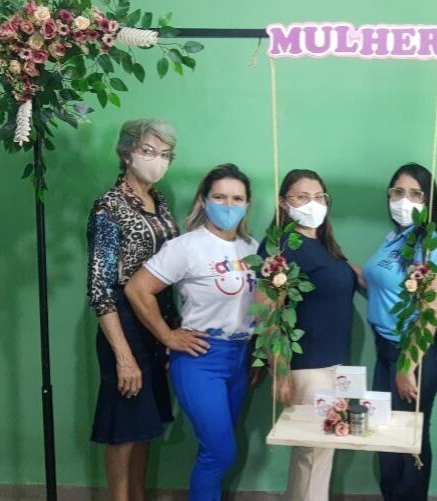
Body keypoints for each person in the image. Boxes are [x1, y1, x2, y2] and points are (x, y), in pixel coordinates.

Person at [125, 164, 258, 501]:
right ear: (203, 200)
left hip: (240, 358)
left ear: (247, 204)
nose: (228, 205)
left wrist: (259, 353)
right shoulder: (186, 247)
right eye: (220, 197)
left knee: (215, 452)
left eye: (237, 199)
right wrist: (167, 336)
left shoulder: (252, 248)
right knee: (221, 452)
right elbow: (138, 289)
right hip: (201, 358)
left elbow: (262, 305)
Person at [87, 118, 179, 501]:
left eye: (165, 154)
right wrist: (123, 355)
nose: (157, 160)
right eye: (148, 151)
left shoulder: (160, 203)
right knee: (124, 431)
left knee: (145, 428)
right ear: (127, 154)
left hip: (156, 320)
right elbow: (99, 286)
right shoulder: (109, 207)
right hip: (123, 322)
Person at [262, 169, 357, 501]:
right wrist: (279, 370)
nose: (312, 204)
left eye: (319, 197)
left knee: (318, 450)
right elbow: (267, 312)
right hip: (307, 366)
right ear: (283, 202)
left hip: (336, 365)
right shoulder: (282, 246)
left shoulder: (326, 245)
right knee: (313, 451)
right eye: (302, 197)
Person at [360, 162, 437, 501]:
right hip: (386, 349)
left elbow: (432, 311)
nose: (404, 200)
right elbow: (377, 284)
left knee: (408, 439)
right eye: (397, 192)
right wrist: (336, 264)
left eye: (415, 194)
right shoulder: (394, 238)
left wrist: (407, 365)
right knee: (384, 434)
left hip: (414, 353)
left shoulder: (431, 244)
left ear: (429, 201)